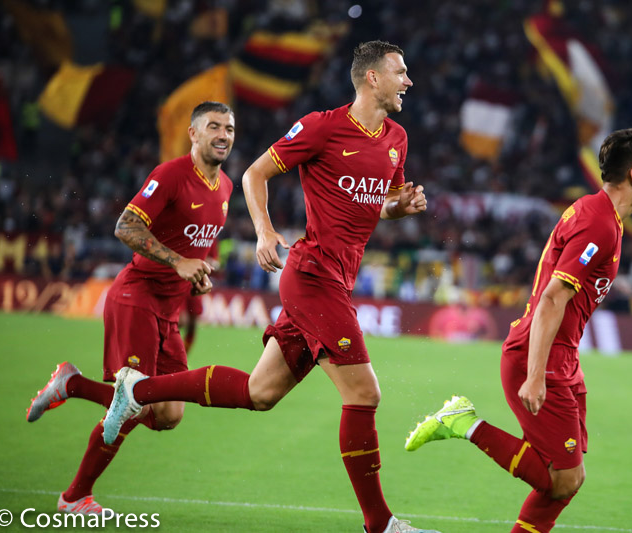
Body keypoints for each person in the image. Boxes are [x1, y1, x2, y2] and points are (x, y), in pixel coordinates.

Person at [101, 41, 437, 533]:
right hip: (311, 276)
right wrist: (263, 230)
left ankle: (138, 389)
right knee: (364, 395)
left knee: (259, 393)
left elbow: (379, 203)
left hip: (338, 282)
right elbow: (255, 172)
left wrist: (397, 208)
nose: (408, 81)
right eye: (400, 72)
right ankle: (380, 524)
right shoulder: (322, 127)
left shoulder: (397, 139)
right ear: (372, 78)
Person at [405, 128, 632, 533]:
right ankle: (463, 423)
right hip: (539, 356)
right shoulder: (600, 224)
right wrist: (536, 374)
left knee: (570, 474)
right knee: (563, 478)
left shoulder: (598, 215)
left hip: (562, 356)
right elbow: (552, 299)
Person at [26, 101, 235, 513]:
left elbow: (198, 247)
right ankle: (74, 497)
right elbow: (125, 226)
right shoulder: (171, 175)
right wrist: (178, 262)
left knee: (169, 414)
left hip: (170, 310)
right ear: (193, 134)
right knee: (131, 402)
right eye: (213, 126)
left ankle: (72, 385)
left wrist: (198, 275)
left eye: (229, 128)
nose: (223, 135)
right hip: (136, 297)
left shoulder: (225, 189)